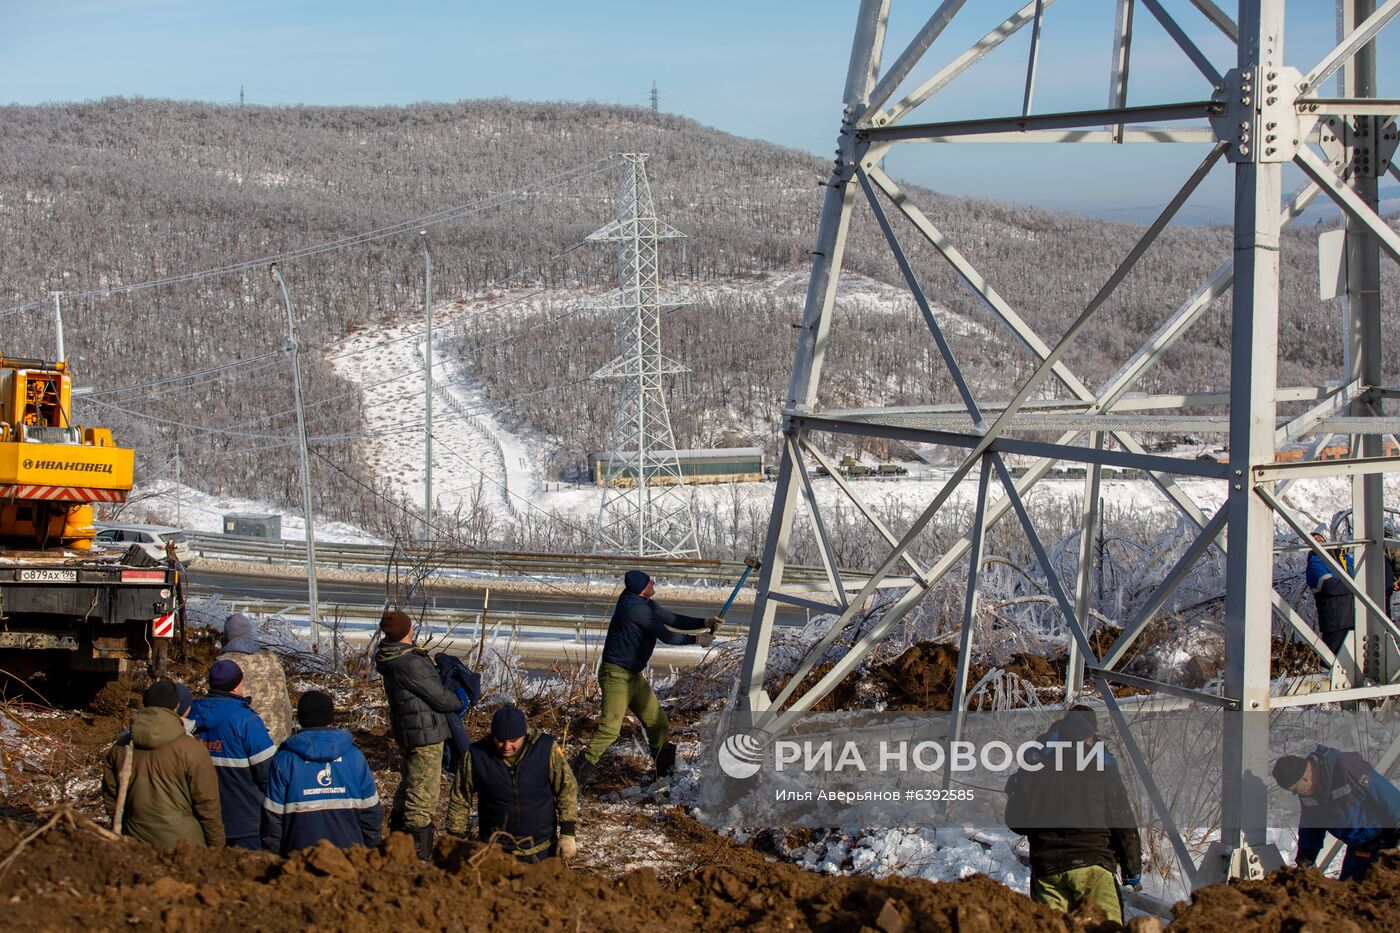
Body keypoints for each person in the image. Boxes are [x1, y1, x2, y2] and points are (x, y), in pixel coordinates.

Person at [571, 570, 719, 786]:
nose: (653, 581)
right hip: (616, 676)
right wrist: (697, 639)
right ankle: (573, 780)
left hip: (632, 676)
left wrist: (705, 621)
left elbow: (672, 618)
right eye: (650, 581)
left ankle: (664, 775)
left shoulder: (643, 603)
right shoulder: (636, 609)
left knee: (658, 723)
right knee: (610, 730)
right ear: (642, 588)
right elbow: (667, 635)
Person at [1005, 707, 1142, 925]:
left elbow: (1016, 823)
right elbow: (1123, 821)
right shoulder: (1103, 770)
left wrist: (1017, 793)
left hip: (1046, 870)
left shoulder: (1033, 770)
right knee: (1106, 929)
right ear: (1089, 739)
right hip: (1093, 866)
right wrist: (1132, 867)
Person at [375, 609, 463, 859]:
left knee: (409, 786)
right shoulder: (410, 662)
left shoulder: (390, 656)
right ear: (406, 631)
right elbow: (440, 698)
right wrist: (459, 701)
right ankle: (417, 856)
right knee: (423, 796)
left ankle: (397, 843)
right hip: (424, 735)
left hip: (410, 732)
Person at [445, 705, 579, 863]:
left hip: (542, 850)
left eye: (513, 741)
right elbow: (460, 797)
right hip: (496, 852)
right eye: (500, 741)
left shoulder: (546, 749)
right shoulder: (477, 755)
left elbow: (567, 788)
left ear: (524, 734)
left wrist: (568, 833)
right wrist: (456, 838)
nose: (507, 747)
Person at [101, 679, 224, 848]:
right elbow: (208, 806)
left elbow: (110, 796)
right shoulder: (192, 750)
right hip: (184, 847)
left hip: (135, 842)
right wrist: (216, 847)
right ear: (176, 707)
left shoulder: (121, 747)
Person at [262, 691, 383, 855]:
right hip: (349, 859)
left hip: (298, 860)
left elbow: (272, 819)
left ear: (300, 719)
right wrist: (370, 852)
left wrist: (274, 857)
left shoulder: (284, 759)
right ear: (330, 718)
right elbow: (371, 813)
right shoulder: (354, 756)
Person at [1274, 747, 1400, 880]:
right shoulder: (1308, 793)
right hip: (1358, 846)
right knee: (1348, 891)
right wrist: (1305, 859)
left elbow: (1388, 796)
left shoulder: (1345, 766)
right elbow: (1311, 826)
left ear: (1304, 779)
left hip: (1387, 839)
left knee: (1383, 888)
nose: (1295, 793)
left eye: (1295, 789)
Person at [190, 659, 276, 850]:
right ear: (238, 685)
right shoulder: (246, 721)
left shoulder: (190, 715)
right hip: (245, 820)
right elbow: (269, 774)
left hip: (200, 820)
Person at [217, 611, 295, 745]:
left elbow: (219, 709)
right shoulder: (271, 658)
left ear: (226, 636)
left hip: (242, 744)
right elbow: (286, 707)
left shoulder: (223, 664)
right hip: (276, 741)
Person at [1307, 527, 1356, 656]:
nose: (1318, 540)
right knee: (1333, 656)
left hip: (1354, 616)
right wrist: (1355, 585)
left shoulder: (1343, 558)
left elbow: (1361, 573)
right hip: (1336, 620)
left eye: (1320, 538)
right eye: (1314, 540)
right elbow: (1330, 586)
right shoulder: (1315, 563)